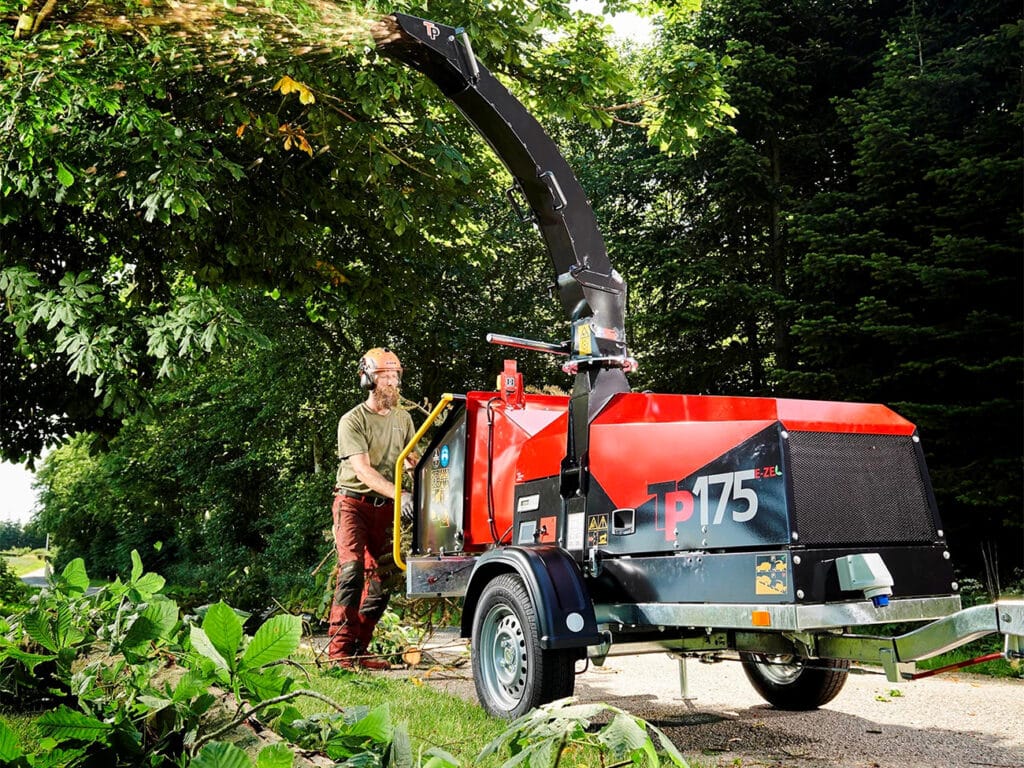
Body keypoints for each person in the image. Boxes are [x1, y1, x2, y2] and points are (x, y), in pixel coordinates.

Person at [328, 347, 417, 669]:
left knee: (383, 582)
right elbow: (363, 470)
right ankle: (338, 653)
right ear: (368, 380)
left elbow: (411, 460)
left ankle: (359, 649)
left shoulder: (403, 419)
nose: (393, 383)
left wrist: (425, 486)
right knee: (352, 571)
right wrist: (401, 495)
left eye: (396, 376)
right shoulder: (352, 421)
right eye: (386, 377)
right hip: (353, 504)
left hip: (386, 509)